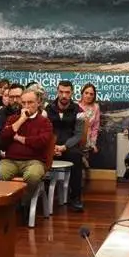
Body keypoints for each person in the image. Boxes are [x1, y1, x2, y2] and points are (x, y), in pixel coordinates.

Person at [0, 90, 53, 209]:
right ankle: (4, 205)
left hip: (34, 161)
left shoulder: (44, 122)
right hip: (10, 160)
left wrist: (19, 138)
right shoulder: (13, 119)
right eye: (24, 103)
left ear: (38, 103)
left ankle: (22, 204)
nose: (27, 106)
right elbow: (3, 139)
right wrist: (22, 120)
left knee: (33, 176)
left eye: (30, 102)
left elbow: (41, 142)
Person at [45, 80, 85, 211]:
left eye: (67, 92)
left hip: (69, 147)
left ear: (71, 93)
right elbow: (44, 131)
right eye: (61, 92)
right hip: (50, 145)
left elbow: (78, 134)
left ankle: (76, 198)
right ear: (57, 92)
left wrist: (64, 147)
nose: (64, 95)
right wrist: (52, 146)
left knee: (77, 156)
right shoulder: (47, 109)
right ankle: (42, 194)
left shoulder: (79, 111)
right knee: (39, 156)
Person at [77, 83, 101, 155]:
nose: (88, 96)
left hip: (88, 141)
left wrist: (93, 143)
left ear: (94, 96)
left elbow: (95, 127)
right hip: (75, 139)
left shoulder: (96, 107)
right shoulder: (75, 105)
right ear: (82, 93)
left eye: (91, 94)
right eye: (86, 93)